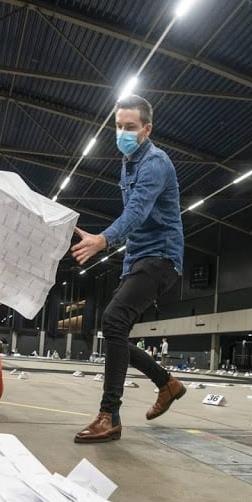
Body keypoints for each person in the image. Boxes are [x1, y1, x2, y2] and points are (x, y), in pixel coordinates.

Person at [70, 95, 184, 444]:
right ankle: (166, 383)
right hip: (139, 258)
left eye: (130, 127)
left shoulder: (154, 163)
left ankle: (110, 416)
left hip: (162, 257)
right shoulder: (128, 162)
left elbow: (136, 212)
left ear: (147, 129)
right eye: (119, 126)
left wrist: (103, 240)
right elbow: (136, 223)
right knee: (114, 328)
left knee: (113, 321)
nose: (122, 133)